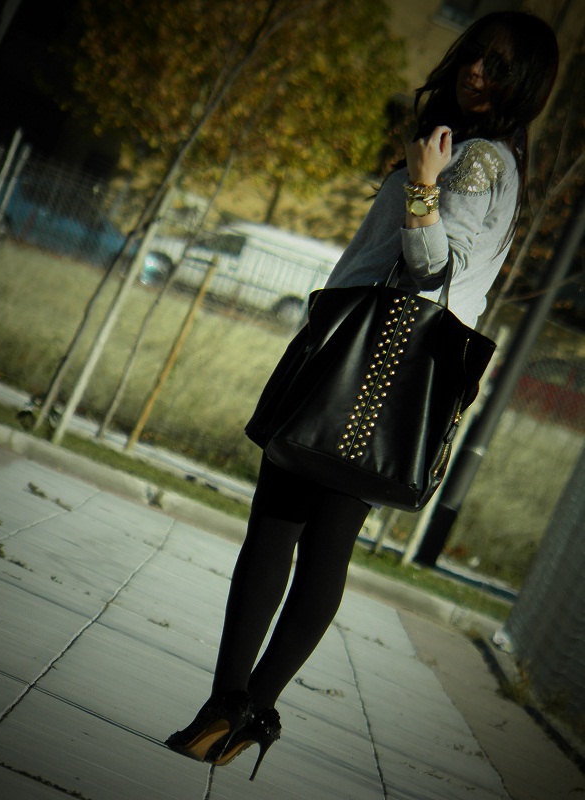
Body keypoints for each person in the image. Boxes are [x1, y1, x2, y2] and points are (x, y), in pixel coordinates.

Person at [165, 10, 559, 781]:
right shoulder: (492, 157)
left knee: (278, 526)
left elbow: (429, 265)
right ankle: (249, 711)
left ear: (526, 83)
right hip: (396, 371)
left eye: (497, 64)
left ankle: (228, 707)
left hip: (372, 359)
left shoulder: (478, 161)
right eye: (475, 54)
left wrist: (422, 186)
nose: (476, 70)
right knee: (326, 544)